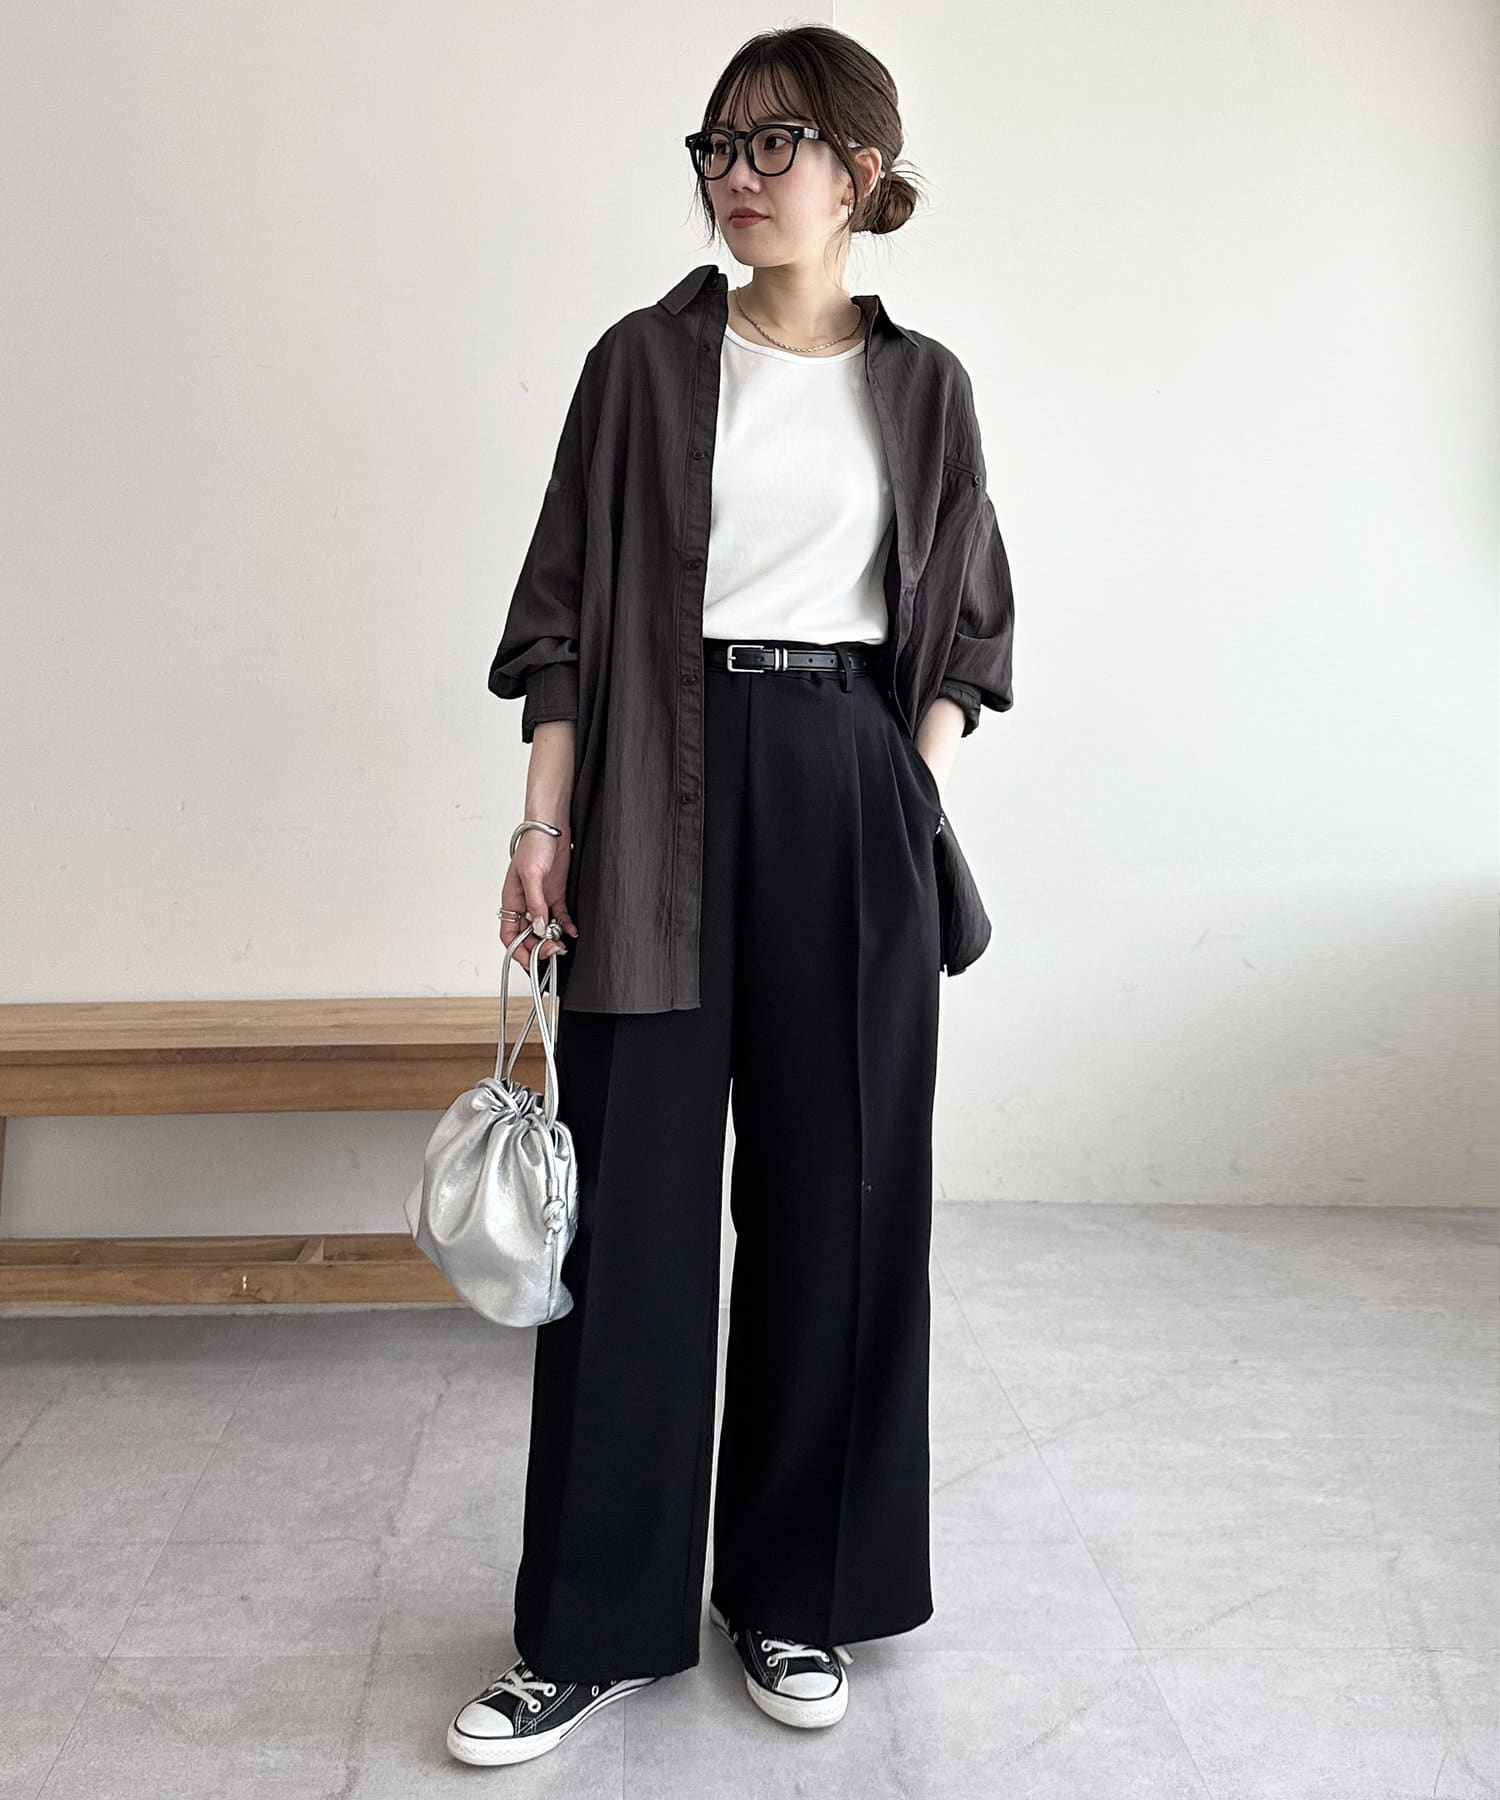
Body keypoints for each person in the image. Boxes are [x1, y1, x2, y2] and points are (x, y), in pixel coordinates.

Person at [445, 24, 1016, 1768]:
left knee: (841, 1203)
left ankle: (795, 1589)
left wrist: (907, 785)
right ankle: (591, 1623)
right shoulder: (639, 365)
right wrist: (542, 828)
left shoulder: (926, 389)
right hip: (655, 790)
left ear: (861, 170)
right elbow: (559, 617)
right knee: (628, 1218)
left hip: (851, 784)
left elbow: (971, 628)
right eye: (717, 145)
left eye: (776, 144)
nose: (737, 175)